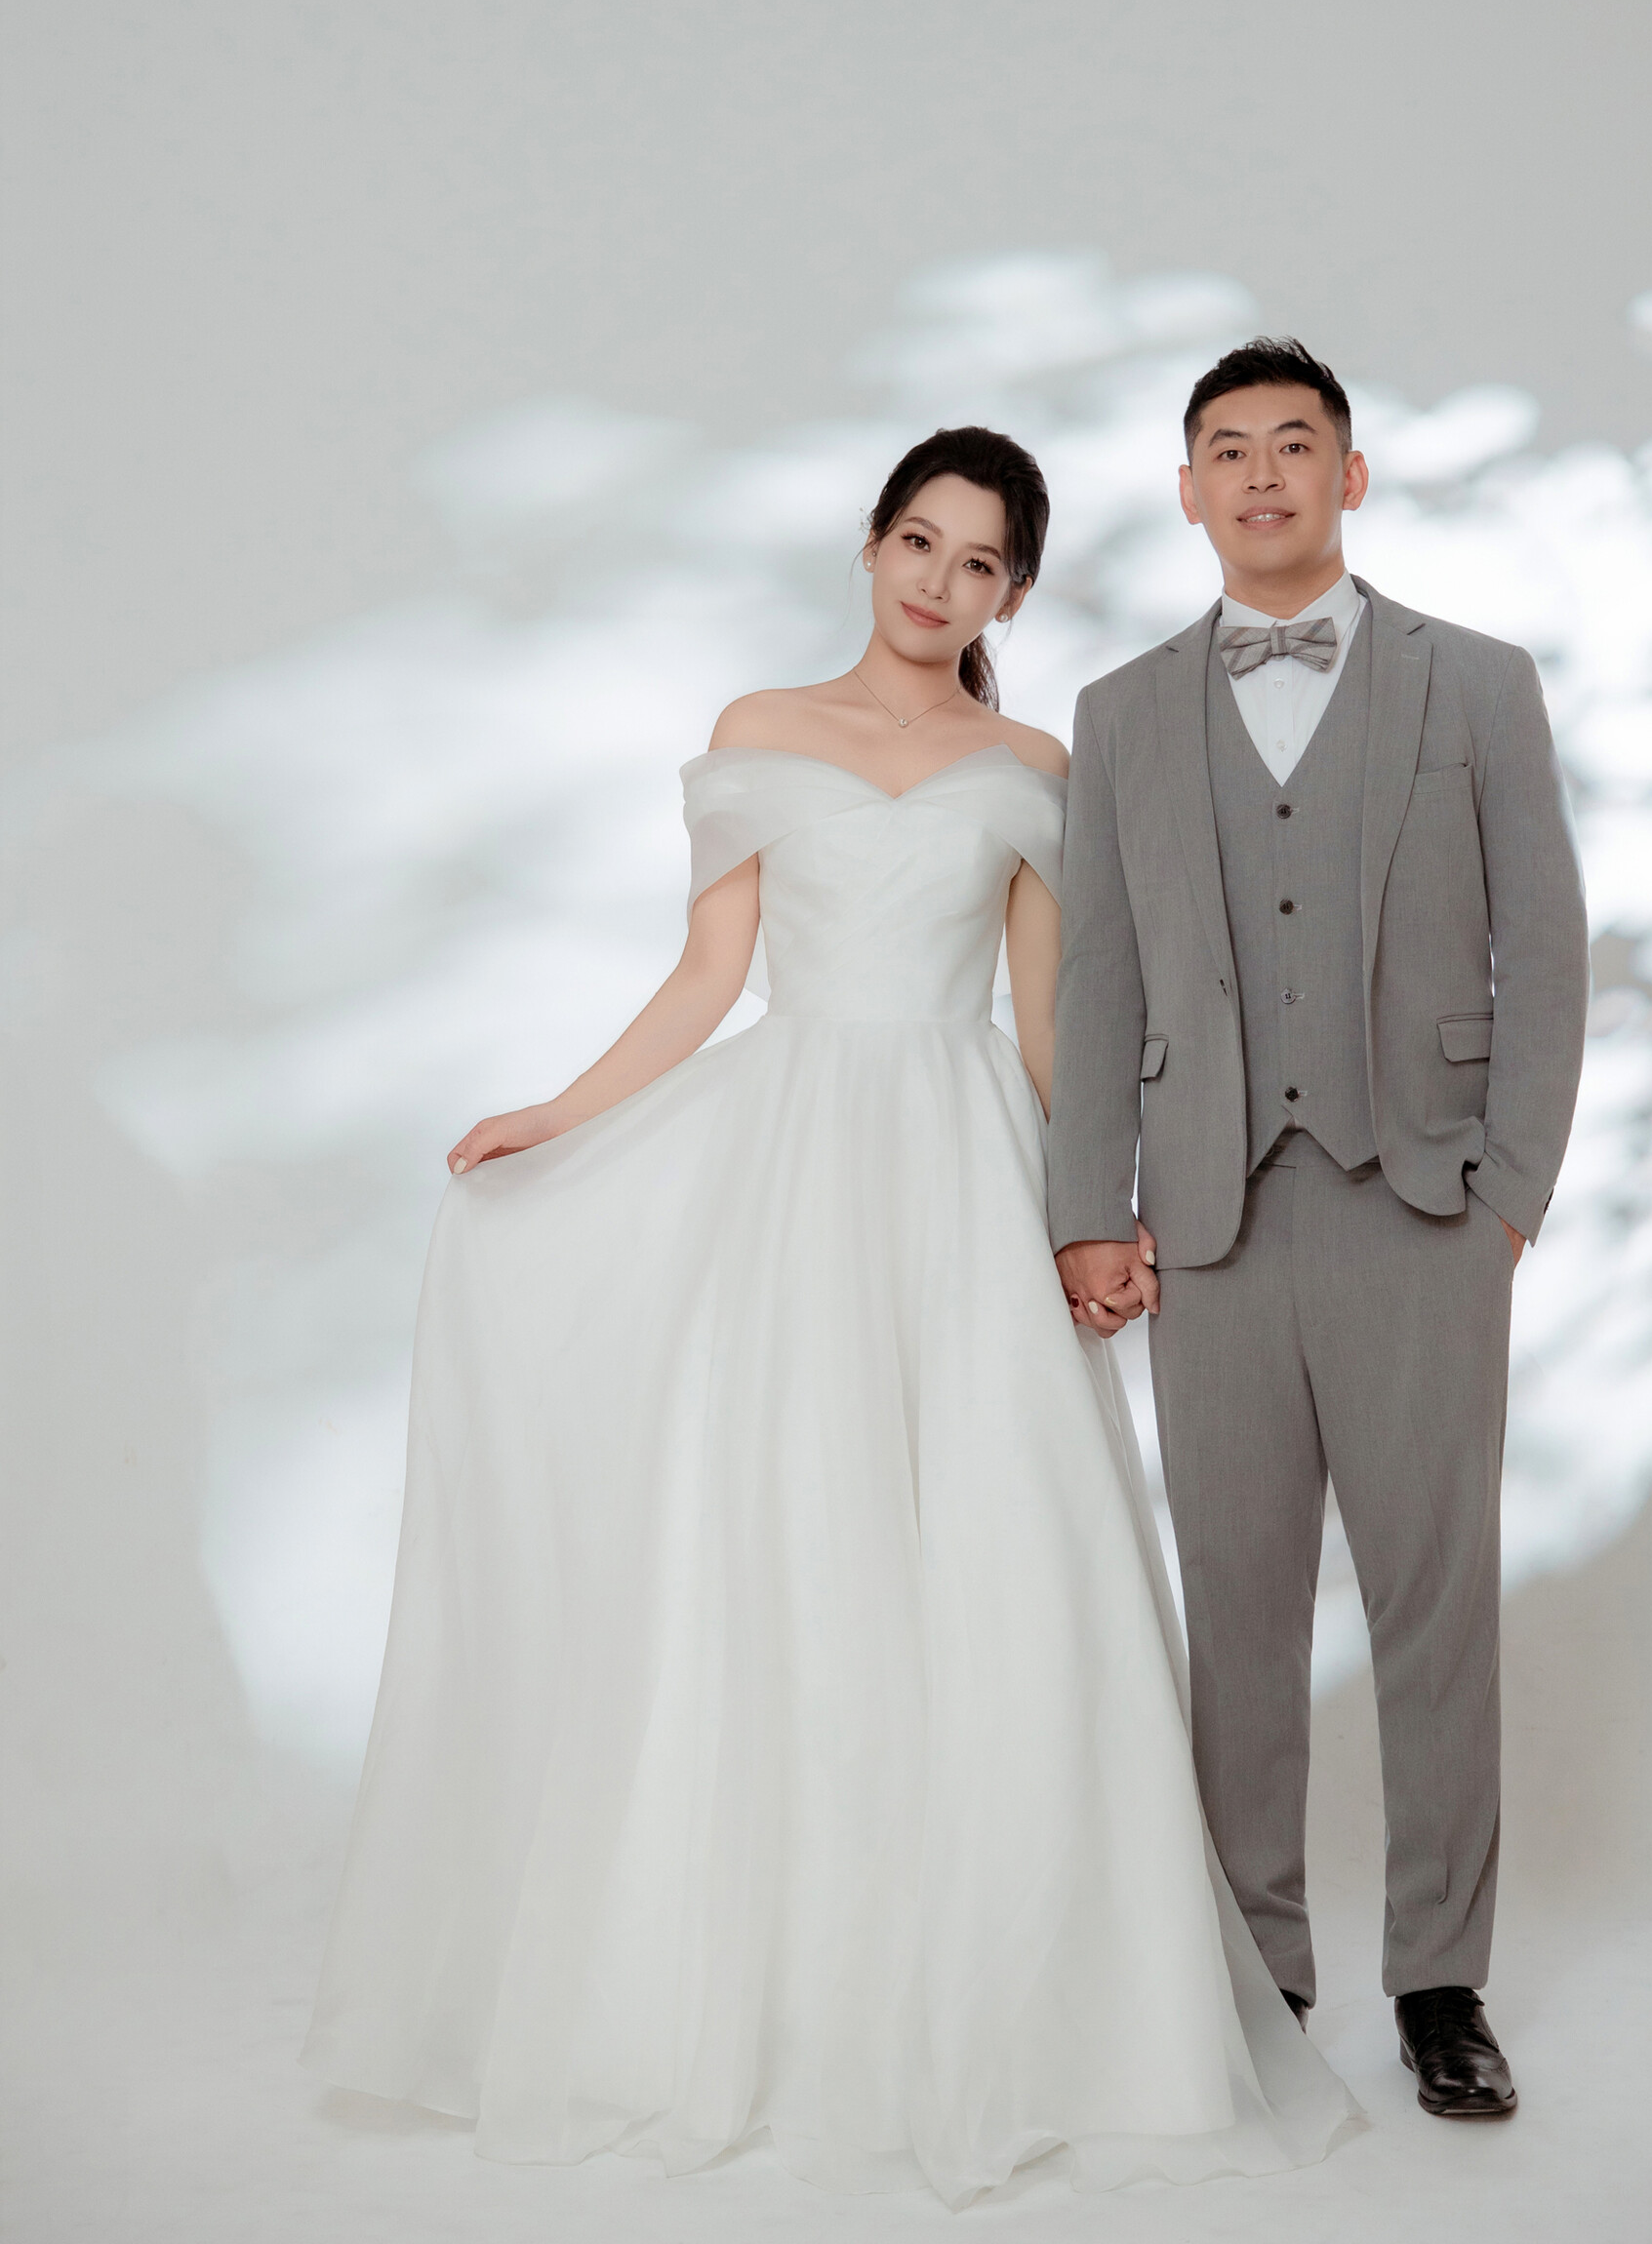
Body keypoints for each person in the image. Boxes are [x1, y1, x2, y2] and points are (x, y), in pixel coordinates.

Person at [301, 423, 1357, 2206]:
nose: (942, 583)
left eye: (982, 563)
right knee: (781, 1538)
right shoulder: (758, 731)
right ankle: (775, 1993)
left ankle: (1018, 1999)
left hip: (960, 1170)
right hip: (794, 1172)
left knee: (994, 1549)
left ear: (1014, 591)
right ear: (872, 545)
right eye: (920, 544)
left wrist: (1095, 1215)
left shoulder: (1033, 766)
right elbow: (708, 976)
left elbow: (1049, 1024)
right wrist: (557, 1113)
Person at [1049, 341, 1590, 2122]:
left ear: (1350, 478)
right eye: (1230, 449)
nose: (1263, 472)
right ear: (1187, 489)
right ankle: (1259, 1973)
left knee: (1435, 1604)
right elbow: (1100, 973)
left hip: (1424, 1209)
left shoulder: (1478, 684)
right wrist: (1088, 1208)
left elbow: (1545, 946)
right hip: (1206, 1220)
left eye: (1297, 444)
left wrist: (1509, 1194)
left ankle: (1439, 1981)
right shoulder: (1122, 713)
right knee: (1238, 1611)